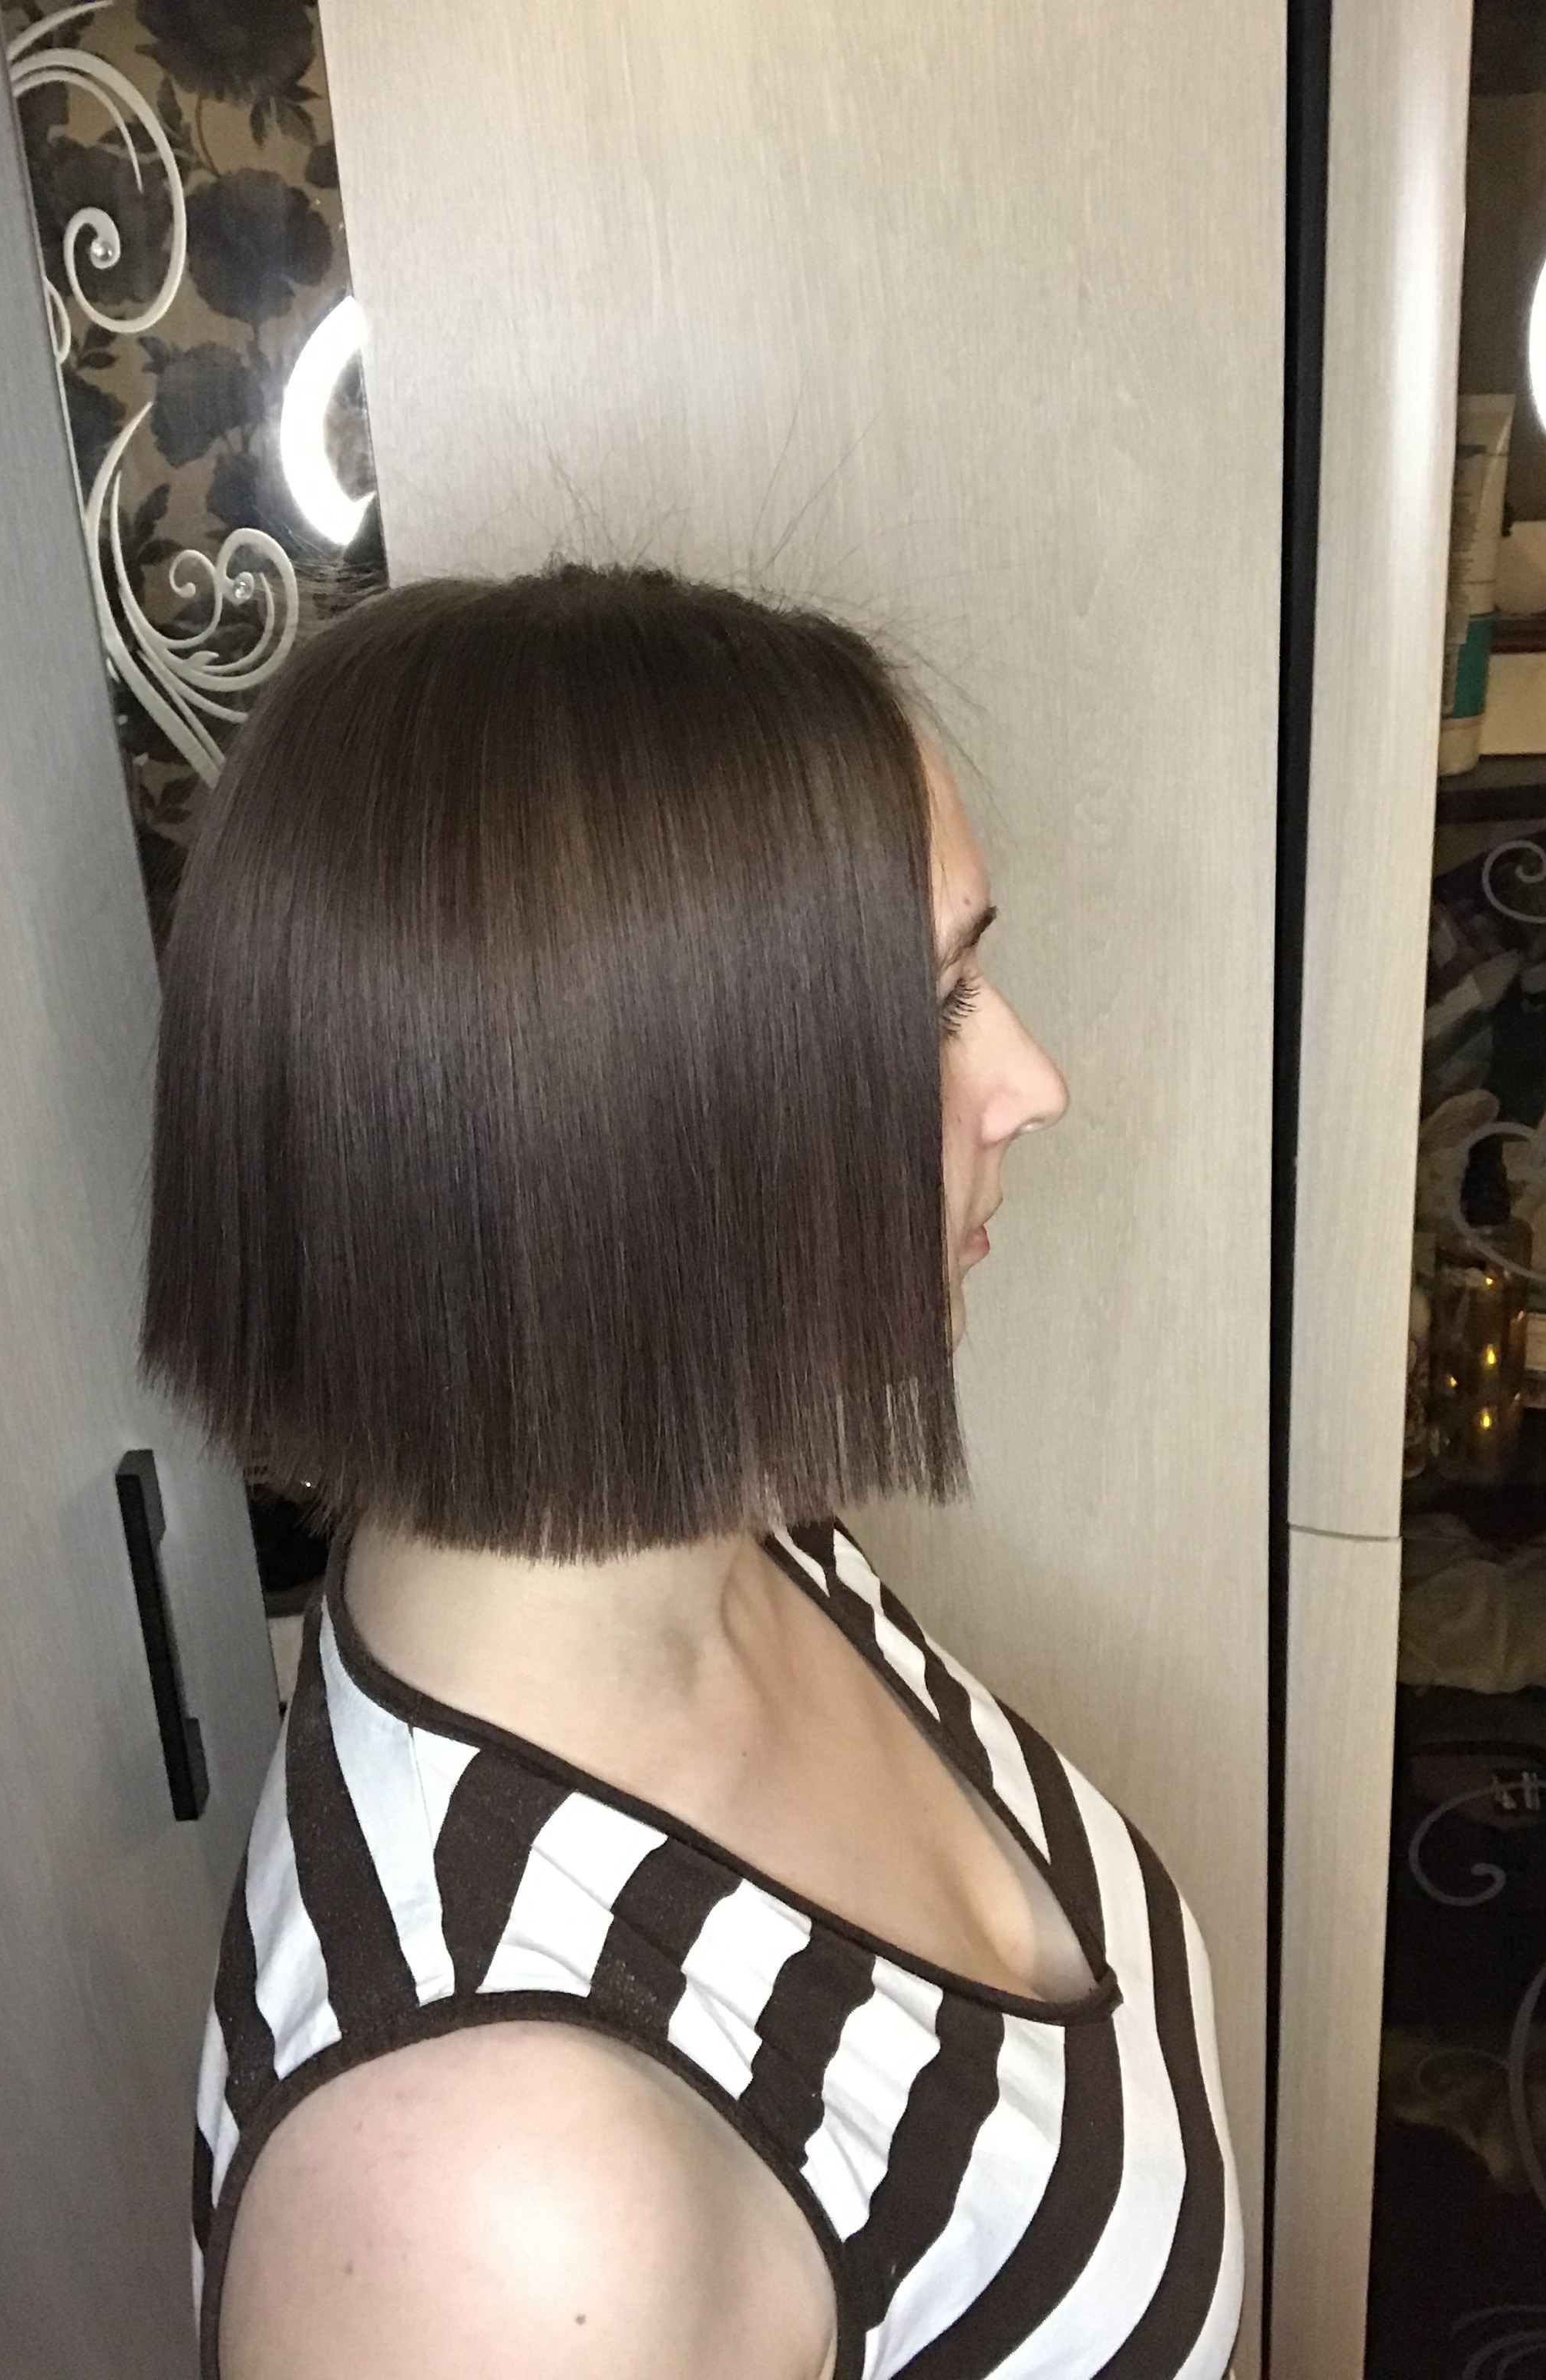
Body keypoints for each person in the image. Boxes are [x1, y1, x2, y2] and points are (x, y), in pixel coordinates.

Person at [143, 564, 1243, 2380]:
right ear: (614, 1126)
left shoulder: (740, 1533)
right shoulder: (497, 2209)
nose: (1031, 1082)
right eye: (933, 1005)